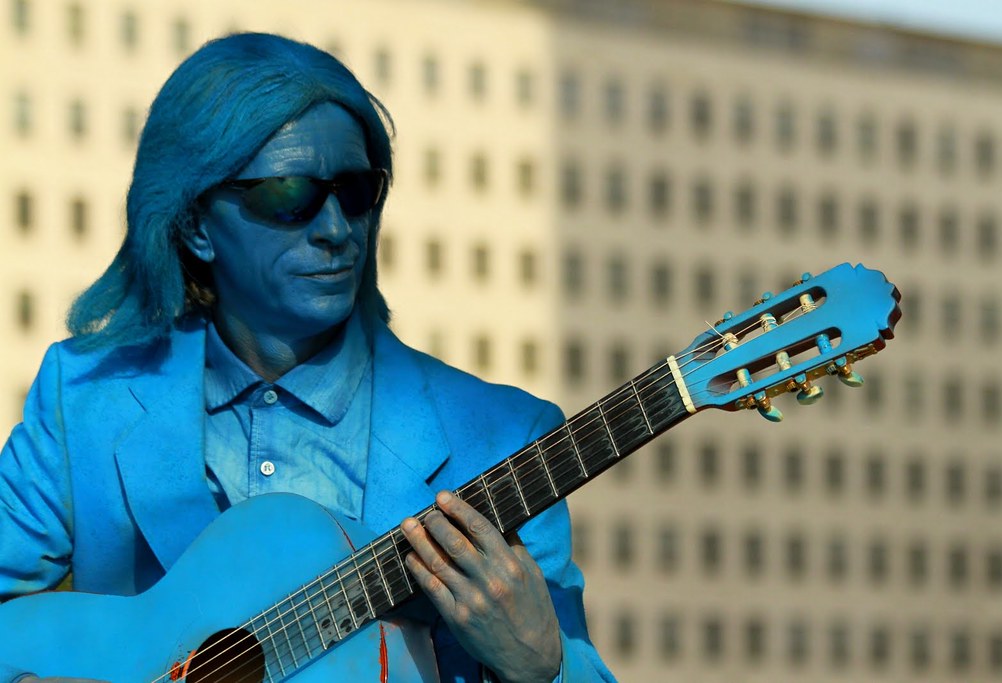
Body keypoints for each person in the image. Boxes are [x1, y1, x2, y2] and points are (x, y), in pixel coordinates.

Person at [0, 32, 615, 683]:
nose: (334, 229)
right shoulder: (85, 400)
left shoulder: (504, 442)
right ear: (195, 227)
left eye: (355, 191)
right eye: (289, 195)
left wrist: (543, 665)